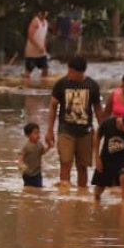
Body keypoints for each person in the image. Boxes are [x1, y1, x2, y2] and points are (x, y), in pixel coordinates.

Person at [45, 56, 103, 188]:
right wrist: (50, 130)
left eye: (71, 71)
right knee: (65, 161)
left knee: (83, 166)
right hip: (66, 130)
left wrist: (104, 129)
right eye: (68, 70)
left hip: (86, 132)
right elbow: (53, 106)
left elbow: (98, 109)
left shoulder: (92, 86)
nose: (68, 74)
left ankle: (81, 194)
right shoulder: (61, 84)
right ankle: (64, 195)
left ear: (80, 72)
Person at [92, 111, 124, 202]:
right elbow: (97, 136)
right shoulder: (108, 123)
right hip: (107, 158)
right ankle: (96, 204)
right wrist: (97, 157)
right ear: (123, 124)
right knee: (99, 189)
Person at [18, 123, 49, 188]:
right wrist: (20, 164)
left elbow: (42, 152)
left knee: (38, 188)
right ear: (28, 135)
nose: (38, 135)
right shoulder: (26, 146)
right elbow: (21, 156)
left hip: (37, 172)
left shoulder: (39, 144)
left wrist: (49, 146)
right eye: (35, 133)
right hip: (28, 173)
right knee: (28, 188)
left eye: (38, 133)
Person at [23, 10, 49, 82]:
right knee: (28, 71)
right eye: (42, 13)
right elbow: (30, 37)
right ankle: (25, 86)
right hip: (32, 52)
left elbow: (44, 37)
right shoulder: (35, 22)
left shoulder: (46, 22)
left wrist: (44, 47)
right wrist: (38, 46)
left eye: (45, 13)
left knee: (45, 69)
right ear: (39, 13)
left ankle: (43, 86)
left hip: (41, 51)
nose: (43, 15)